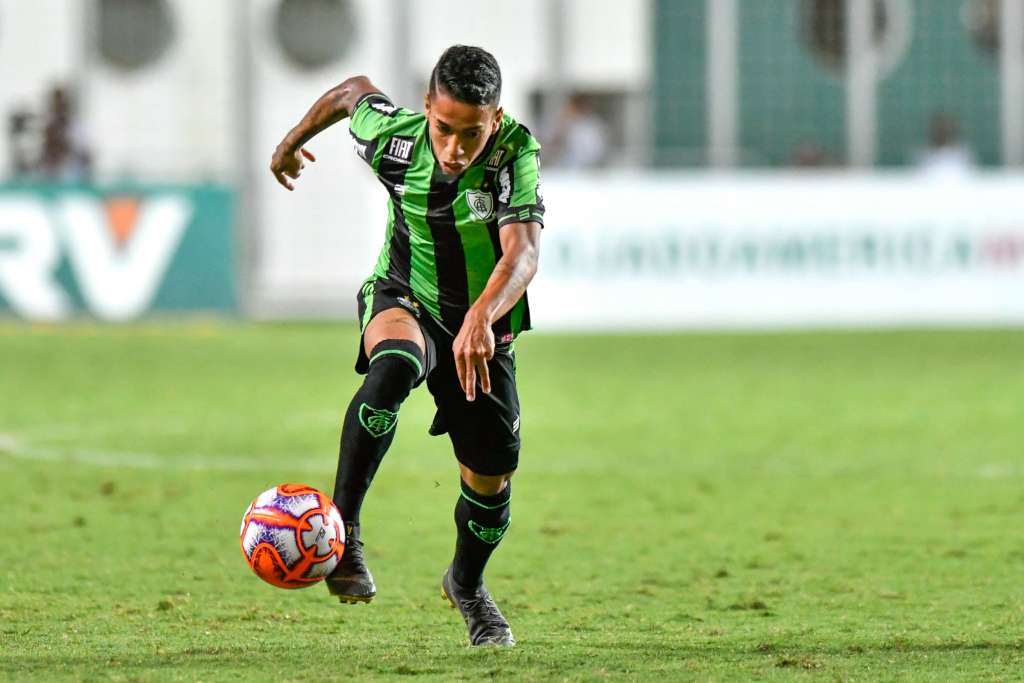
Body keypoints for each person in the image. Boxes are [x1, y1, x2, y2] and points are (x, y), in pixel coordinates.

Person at [269, 45, 544, 647]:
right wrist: (292, 138)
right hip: (405, 295)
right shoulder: (395, 139)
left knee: (490, 475)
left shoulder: (514, 153)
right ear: (426, 109)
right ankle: (342, 537)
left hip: (483, 326)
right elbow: (351, 92)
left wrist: (481, 315)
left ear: (494, 120)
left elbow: (522, 253)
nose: (454, 147)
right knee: (393, 370)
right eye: (443, 128)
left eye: (471, 133)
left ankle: (466, 586)